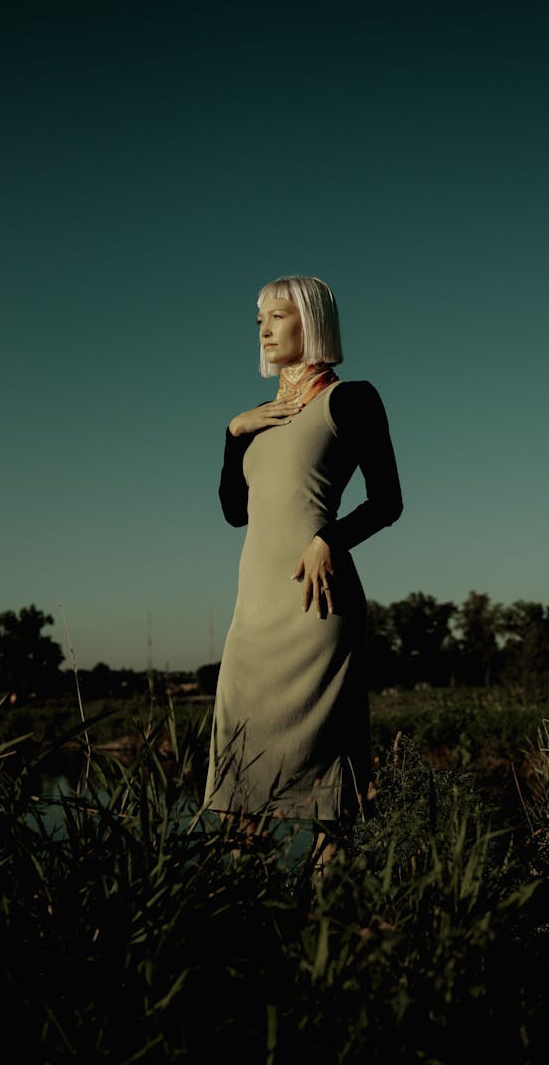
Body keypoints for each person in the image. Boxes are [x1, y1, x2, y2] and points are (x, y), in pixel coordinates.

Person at [203, 275, 403, 875]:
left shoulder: (351, 399)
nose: (265, 327)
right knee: (238, 786)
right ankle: (242, 923)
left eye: (279, 315)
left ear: (311, 322)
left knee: (328, 796)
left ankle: (330, 928)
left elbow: (387, 501)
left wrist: (329, 539)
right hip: (254, 612)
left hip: (316, 607)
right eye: (259, 318)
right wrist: (233, 435)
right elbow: (235, 513)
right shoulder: (260, 419)